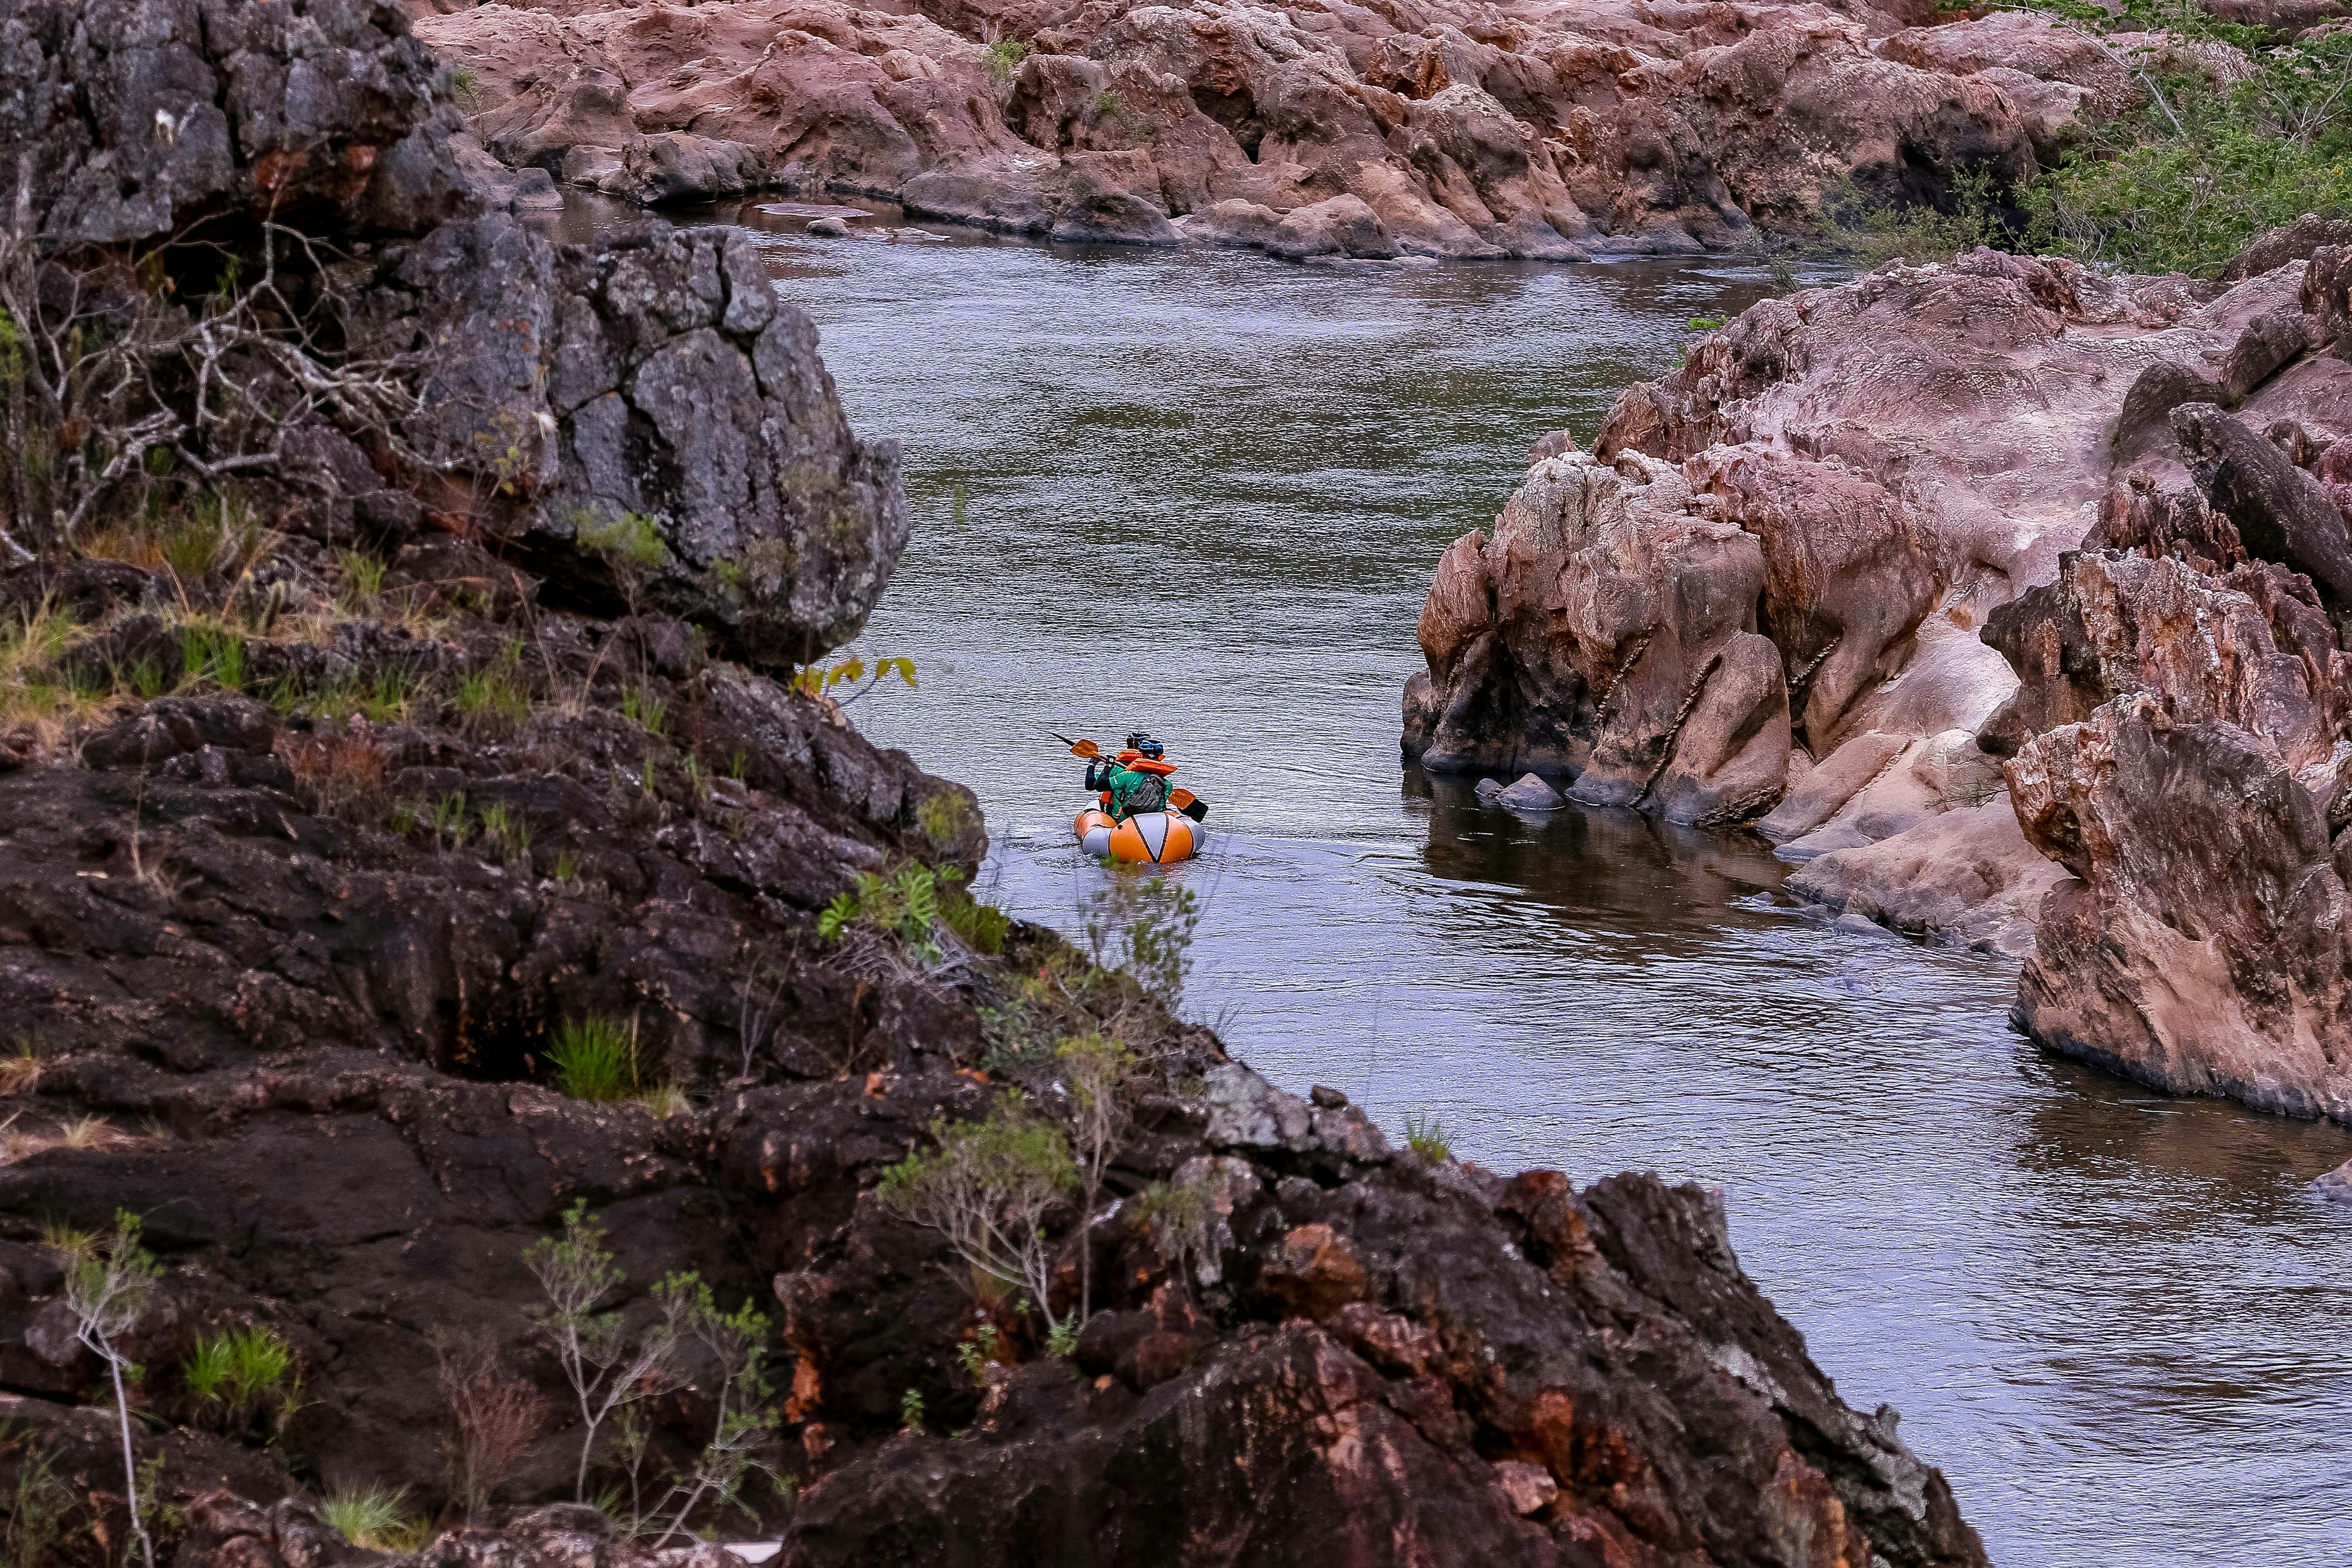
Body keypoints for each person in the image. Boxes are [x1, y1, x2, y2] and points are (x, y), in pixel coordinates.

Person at [1086, 732, 1175, 821]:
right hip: (1156, 824)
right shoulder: (1167, 785)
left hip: (1127, 823)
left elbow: (1096, 785)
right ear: (1159, 757)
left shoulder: (1127, 774)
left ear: (1140, 754)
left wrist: (1106, 766)